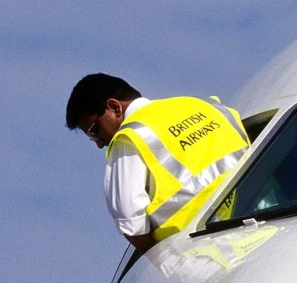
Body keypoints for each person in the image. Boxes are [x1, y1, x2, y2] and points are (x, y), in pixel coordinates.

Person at [66, 73, 250, 253]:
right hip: (264, 232)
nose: (98, 143)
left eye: (94, 131)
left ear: (115, 108)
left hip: (209, 257)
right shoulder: (205, 105)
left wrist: (169, 265)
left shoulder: (129, 138)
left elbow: (131, 222)